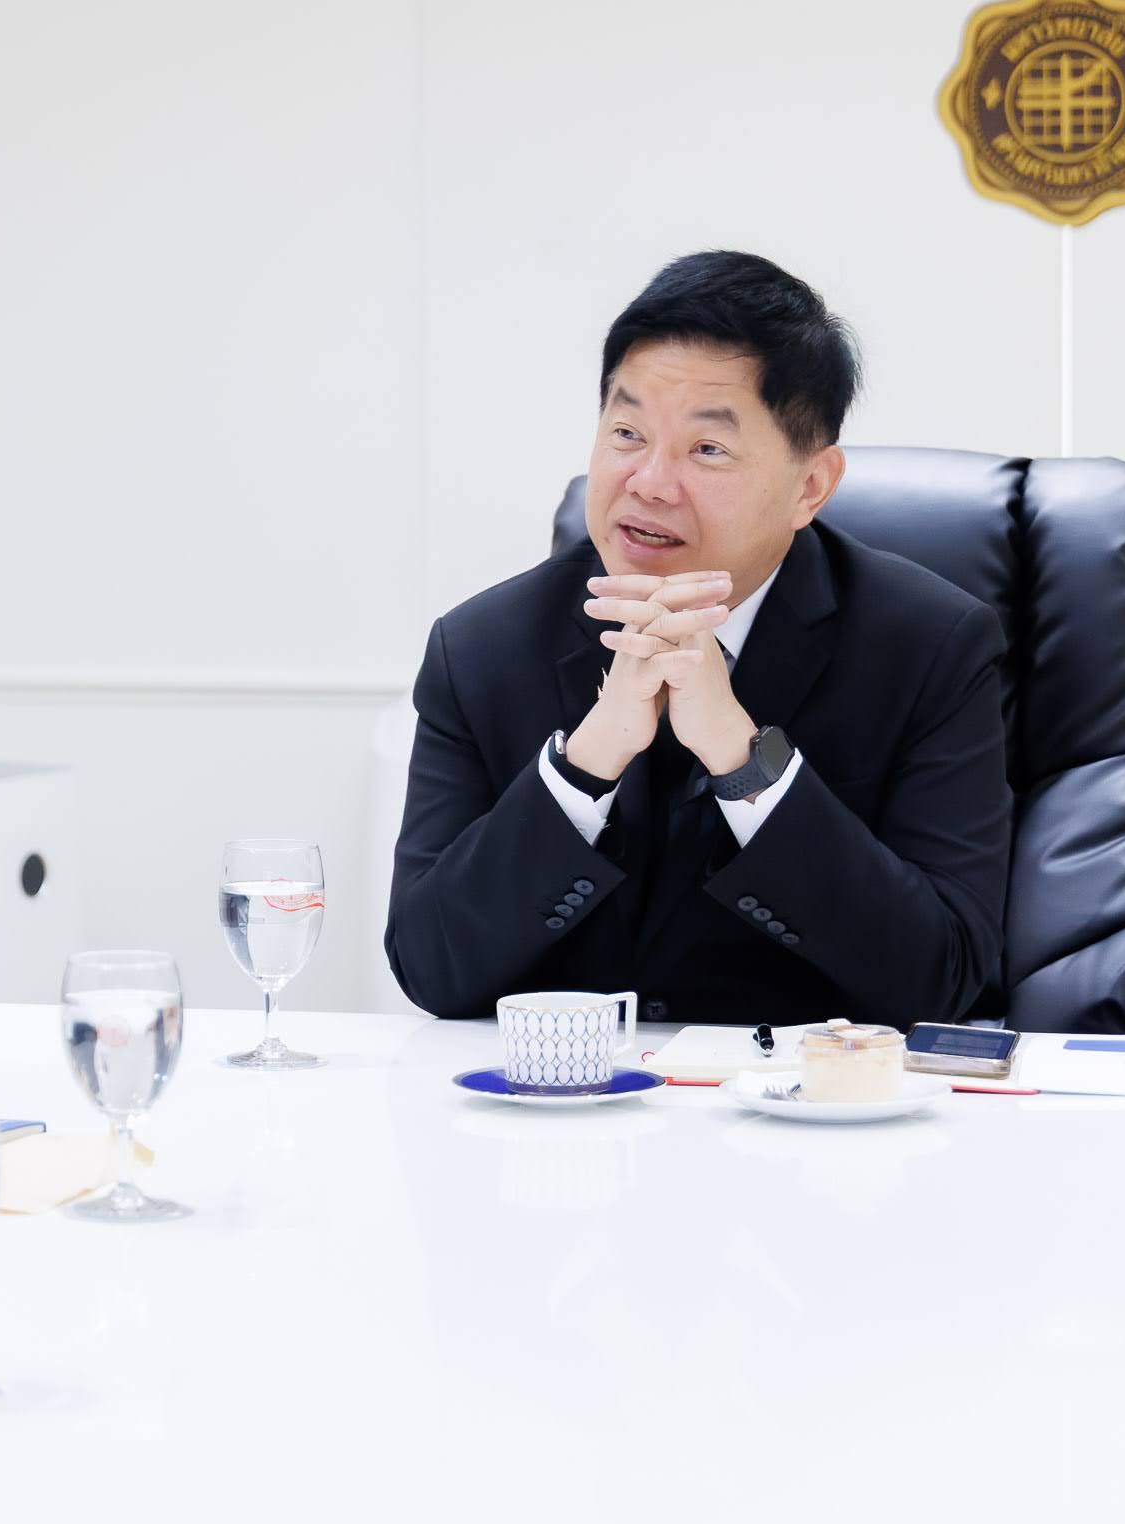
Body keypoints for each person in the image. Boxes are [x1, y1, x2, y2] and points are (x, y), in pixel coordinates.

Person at [384, 250, 1009, 1028]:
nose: (648, 482)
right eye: (627, 432)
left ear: (810, 486)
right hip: (571, 1097)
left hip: (806, 1096)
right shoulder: (481, 650)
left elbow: (941, 976)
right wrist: (588, 762)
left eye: (707, 449)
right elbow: (431, 968)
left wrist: (744, 762)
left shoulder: (930, 648)